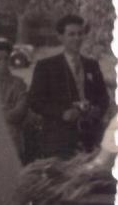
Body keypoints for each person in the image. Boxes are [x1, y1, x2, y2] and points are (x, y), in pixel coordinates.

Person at [27, 14, 109, 159]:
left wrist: (97, 110)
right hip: (59, 139)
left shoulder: (92, 64)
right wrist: (62, 113)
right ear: (61, 37)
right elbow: (34, 101)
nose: (77, 38)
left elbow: (103, 97)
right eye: (71, 34)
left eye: (80, 34)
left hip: (91, 137)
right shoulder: (46, 66)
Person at [0, 40, 28, 158]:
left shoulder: (18, 83)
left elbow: (21, 110)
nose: (3, 63)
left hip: (12, 137)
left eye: (6, 59)